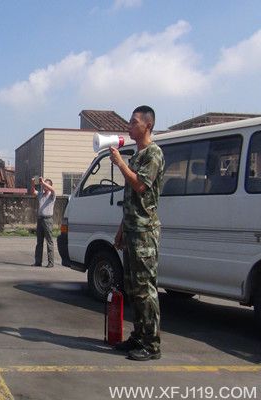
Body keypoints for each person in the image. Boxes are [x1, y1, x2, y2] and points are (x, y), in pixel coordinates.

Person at [110, 105, 165, 362]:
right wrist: (122, 229)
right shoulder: (137, 155)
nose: (129, 127)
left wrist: (120, 162)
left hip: (145, 232)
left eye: (133, 122)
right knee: (133, 287)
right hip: (132, 229)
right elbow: (130, 198)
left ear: (147, 126)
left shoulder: (153, 154)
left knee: (146, 289)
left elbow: (140, 185)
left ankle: (152, 344)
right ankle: (139, 335)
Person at [30, 177, 56, 268]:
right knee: (39, 242)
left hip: (48, 220)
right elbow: (33, 191)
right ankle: (38, 261)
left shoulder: (52, 195)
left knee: (49, 241)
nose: (44, 186)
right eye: (44, 184)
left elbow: (52, 189)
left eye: (46, 184)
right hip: (40, 219)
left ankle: (51, 262)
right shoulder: (41, 194)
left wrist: (43, 182)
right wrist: (33, 182)